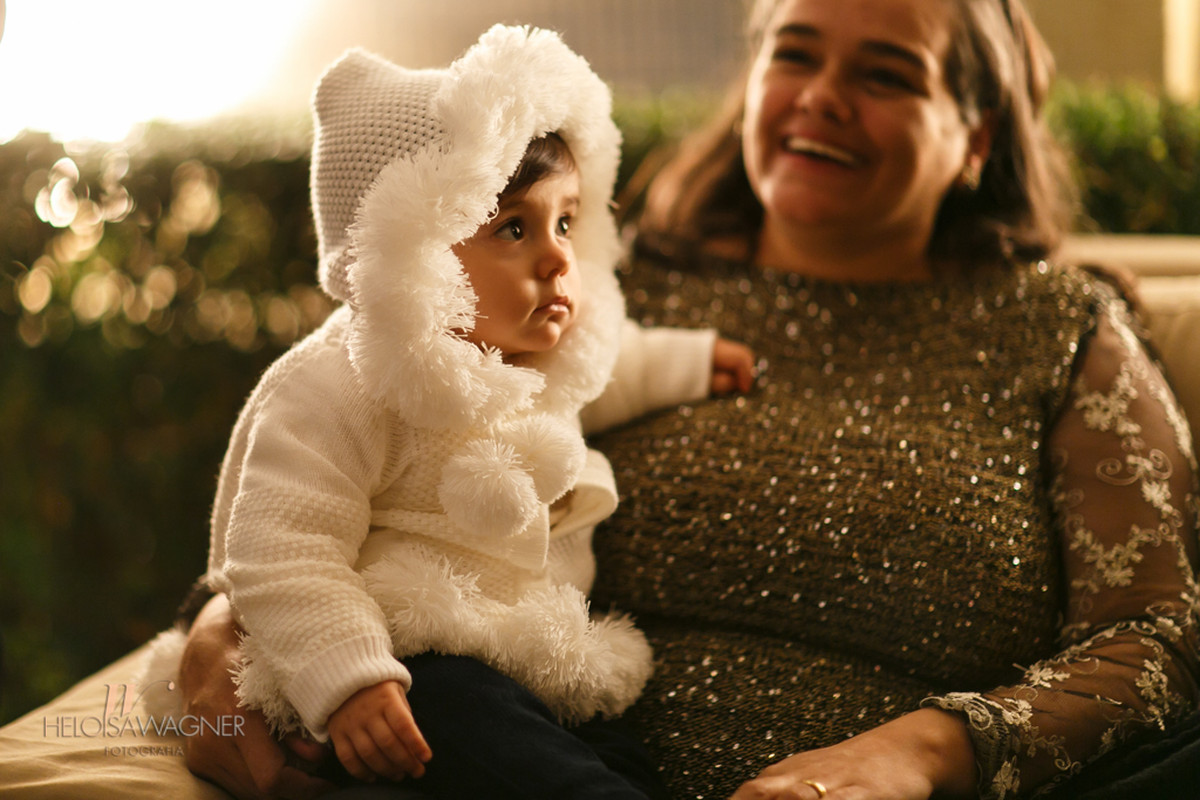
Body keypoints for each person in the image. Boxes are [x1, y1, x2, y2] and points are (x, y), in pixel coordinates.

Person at [177, 1, 1200, 799]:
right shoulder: (602, 289)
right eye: (794, 53)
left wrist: (932, 749)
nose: (822, 95)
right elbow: (320, 492)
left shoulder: (1063, 330)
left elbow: (1161, 639)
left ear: (978, 137)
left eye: (887, 73)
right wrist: (222, 635)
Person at [139, 25, 755, 800]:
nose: (559, 256)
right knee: (488, 735)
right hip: (401, 654)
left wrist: (693, 362)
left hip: (529, 653)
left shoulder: (547, 354)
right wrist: (350, 676)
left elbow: (616, 365)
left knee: (612, 748)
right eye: (513, 228)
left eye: (566, 221)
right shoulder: (343, 385)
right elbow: (282, 545)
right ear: (415, 252)